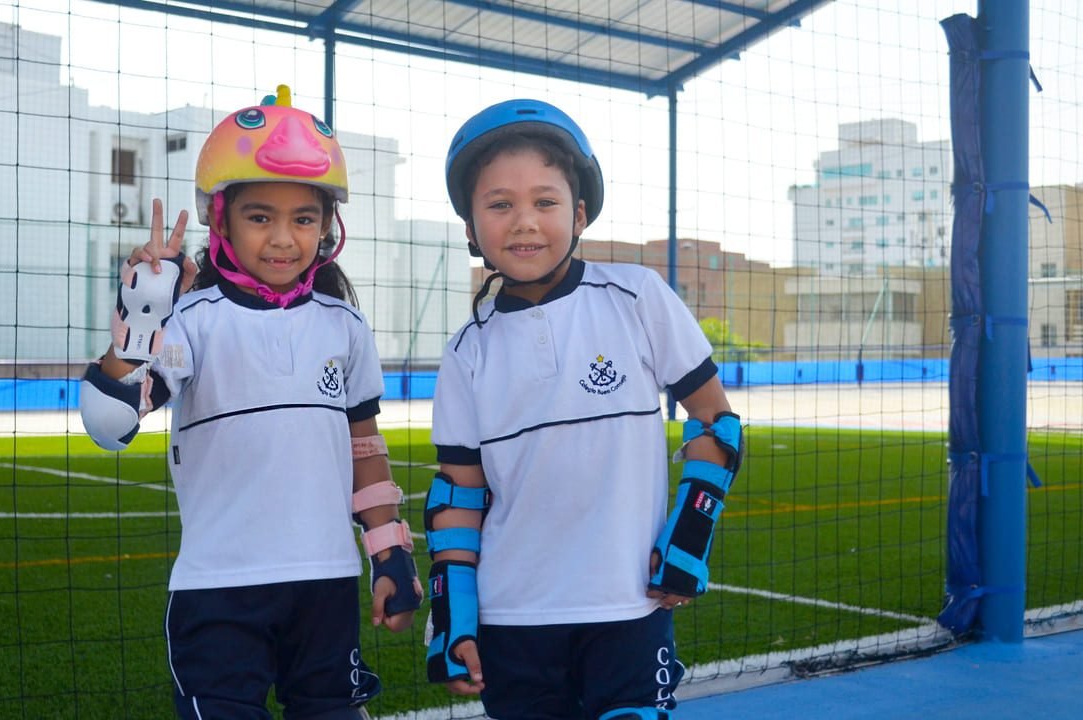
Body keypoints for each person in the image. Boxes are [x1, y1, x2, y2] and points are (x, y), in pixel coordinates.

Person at [79, 85, 421, 720]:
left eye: (304, 218)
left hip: (324, 586)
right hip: (219, 592)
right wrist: (139, 318)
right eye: (261, 217)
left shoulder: (344, 325)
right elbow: (109, 423)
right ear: (222, 219)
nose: (284, 239)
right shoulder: (191, 320)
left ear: (328, 226)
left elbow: (365, 449)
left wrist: (390, 552)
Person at [422, 99, 743, 720]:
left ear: (580, 213)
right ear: (469, 228)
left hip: (626, 608)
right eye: (498, 205)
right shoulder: (466, 353)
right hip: (514, 619)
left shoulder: (637, 297)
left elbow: (715, 423)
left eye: (545, 202)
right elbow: (458, 500)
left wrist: (688, 541)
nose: (524, 223)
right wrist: (453, 618)